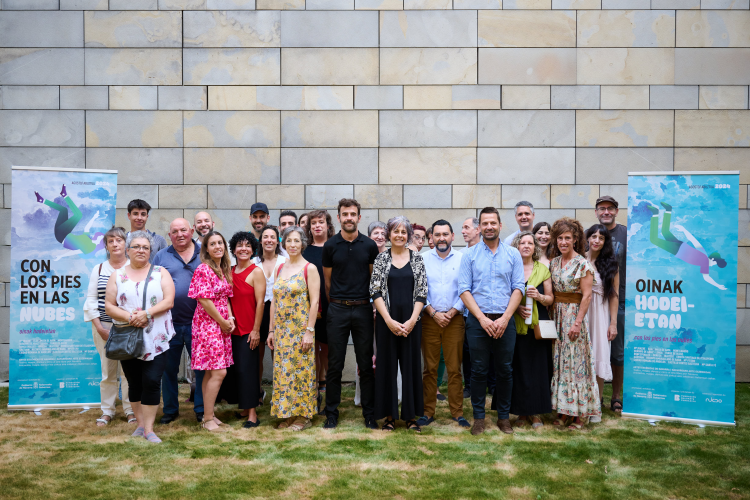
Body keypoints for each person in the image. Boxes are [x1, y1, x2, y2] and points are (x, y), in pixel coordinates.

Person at [104, 230, 176, 443]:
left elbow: (169, 300)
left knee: (152, 381)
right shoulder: (118, 275)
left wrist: (147, 313)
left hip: (157, 338)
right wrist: (130, 317)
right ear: (128, 250)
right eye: (136, 247)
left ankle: (150, 429)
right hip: (128, 337)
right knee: (134, 383)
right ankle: (140, 424)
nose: (141, 250)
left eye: (145, 247)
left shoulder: (161, 272)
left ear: (150, 251)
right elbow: (109, 305)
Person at [458, 207, 524, 435]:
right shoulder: (469, 255)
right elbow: (464, 290)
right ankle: (479, 417)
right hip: (478, 321)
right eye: (484, 223)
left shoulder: (513, 254)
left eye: (492, 223)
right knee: (478, 371)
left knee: (505, 370)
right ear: (479, 228)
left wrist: (505, 318)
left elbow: (518, 288)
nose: (489, 227)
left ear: (500, 225)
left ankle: (503, 418)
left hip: (506, 320)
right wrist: (482, 319)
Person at [322, 198, 380, 430]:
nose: (348, 218)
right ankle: (331, 413)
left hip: (363, 309)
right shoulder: (330, 246)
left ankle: (369, 413)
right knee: (335, 364)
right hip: (337, 309)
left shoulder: (369, 246)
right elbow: (327, 283)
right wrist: (338, 303)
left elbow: (372, 278)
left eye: (352, 214)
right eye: (344, 214)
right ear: (338, 217)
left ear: (358, 217)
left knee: (365, 364)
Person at [370, 216, 427, 432]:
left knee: (411, 367)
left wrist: (412, 320)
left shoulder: (417, 259)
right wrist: (388, 320)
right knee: (386, 368)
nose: (400, 235)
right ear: (388, 234)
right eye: (396, 231)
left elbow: (422, 291)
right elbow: (374, 291)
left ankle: (411, 417)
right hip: (387, 321)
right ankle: (389, 417)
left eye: (404, 232)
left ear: (408, 235)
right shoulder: (381, 259)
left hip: (412, 321)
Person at [549, 217, 600, 430]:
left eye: (567, 238)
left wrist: (577, 323)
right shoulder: (553, 262)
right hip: (557, 317)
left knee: (577, 364)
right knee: (561, 364)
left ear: (575, 239)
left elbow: (587, 296)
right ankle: (563, 410)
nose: (563, 242)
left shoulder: (583, 264)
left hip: (574, 318)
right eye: (559, 238)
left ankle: (580, 415)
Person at [267, 226, 320, 431]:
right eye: (289, 241)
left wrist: (309, 331)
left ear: (303, 243)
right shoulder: (280, 268)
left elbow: (314, 302)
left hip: (300, 330)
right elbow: (274, 302)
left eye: (297, 241)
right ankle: (288, 413)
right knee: (284, 373)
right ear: (284, 243)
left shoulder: (310, 268)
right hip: (282, 331)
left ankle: (303, 416)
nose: (292, 244)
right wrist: (271, 330)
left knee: (302, 372)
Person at [153, 218, 205, 424]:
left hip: (199, 323)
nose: (180, 234)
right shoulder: (161, 256)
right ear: (169, 235)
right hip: (169, 324)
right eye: (175, 231)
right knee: (168, 370)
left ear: (191, 231)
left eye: (184, 230)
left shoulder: (205, 252)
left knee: (201, 369)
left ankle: (201, 409)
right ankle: (170, 410)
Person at [418, 220, 468, 428]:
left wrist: (452, 311)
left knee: (454, 368)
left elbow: (467, 288)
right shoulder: (421, 259)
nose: (441, 238)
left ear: (452, 236)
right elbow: (419, 289)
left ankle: (457, 412)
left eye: (445, 234)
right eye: (437, 235)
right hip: (429, 319)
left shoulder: (463, 258)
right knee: (430, 368)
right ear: (432, 238)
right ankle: (427, 411)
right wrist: (433, 311)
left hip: (455, 319)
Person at [84, 226, 134, 427]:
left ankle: (131, 410)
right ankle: (107, 411)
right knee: (108, 371)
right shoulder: (98, 269)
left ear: (125, 244)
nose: (115, 244)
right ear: (106, 245)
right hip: (103, 327)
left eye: (119, 240)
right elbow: (91, 299)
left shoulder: (134, 267)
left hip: (130, 329)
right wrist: (100, 328)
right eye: (111, 241)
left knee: (129, 372)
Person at [188, 231, 235, 432]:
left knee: (210, 372)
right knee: (219, 372)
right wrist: (222, 321)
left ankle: (209, 416)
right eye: (212, 244)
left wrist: (230, 318)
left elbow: (225, 298)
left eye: (220, 243)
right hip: (208, 326)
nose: (217, 246)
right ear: (206, 248)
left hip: (222, 324)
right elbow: (204, 300)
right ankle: (207, 419)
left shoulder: (222, 269)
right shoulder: (203, 269)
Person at [508, 231, 554, 429]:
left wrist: (539, 297)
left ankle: (536, 413)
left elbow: (551, 298)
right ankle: (521, 412)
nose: (526, 246)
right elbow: (503, 294)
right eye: (522, 243)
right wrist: (516, 306)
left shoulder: (543, 270)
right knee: (518, 368)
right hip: (515, 324)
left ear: (535, 247)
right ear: (516, 246)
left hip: (537, 326)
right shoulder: (510, 269)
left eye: (530, 243)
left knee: (538, 369)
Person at [225, 231, 265, 428]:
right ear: (233, 249)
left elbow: (260, 304)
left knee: (248, 371)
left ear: (253, 250)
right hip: (231, 329)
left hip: (249, 329)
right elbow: (226, 299)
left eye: (247, 246)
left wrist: (256, 330)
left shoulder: (256, 272)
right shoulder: (229, 271)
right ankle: (243, 407)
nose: (243, 249)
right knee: (236, 371)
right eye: (239, 245)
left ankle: (253, 414)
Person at [594, 195, 626, 414]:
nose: (606, 212)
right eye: (601, 208)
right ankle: (597, 396)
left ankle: (616, 396)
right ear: (596, 211)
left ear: (616, 211)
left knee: (617, 352)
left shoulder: (626, 233)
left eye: (610, 208)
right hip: (596, 303)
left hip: (620, 299)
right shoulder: (592, 233)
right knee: (597, 350)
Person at [648, 202, 727, 289]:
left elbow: (693, 240)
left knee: (665, 232)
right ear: (712, 259)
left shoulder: (703, 253)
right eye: (714, 263)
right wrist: (718, 285)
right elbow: (706, 278)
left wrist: (684, 230)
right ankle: (655, 213)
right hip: (676, 249)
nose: (712, 265)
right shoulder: (705, 262)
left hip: (680, 244)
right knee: (654, 239)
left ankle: (668, 210)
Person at [585, 224, 620, 420]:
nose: (597, 240)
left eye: (601, 238)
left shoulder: (611, 265)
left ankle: (596, 406)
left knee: (597, 357)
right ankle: (580, 403)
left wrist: (612, 323)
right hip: (581, 313)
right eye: (594, 236)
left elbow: (614, 296)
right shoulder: (579, 260)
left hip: (600, 313)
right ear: (588, 238)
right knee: (581, 357)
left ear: (605, 242)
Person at [303, 210, 335, 414]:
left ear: (327, 225)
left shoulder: (334, 247)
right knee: (311, 354)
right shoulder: (305, 251)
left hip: (333, 308)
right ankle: (312, 395)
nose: (317, 226)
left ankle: (330, 399)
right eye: (313, 223)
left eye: (321, 222)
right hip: (309, 310)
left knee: (330, 354)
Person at [254, 225, 286, 404]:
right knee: (257, 353)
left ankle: (279, 393)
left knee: (278, 353)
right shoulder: (253, 262)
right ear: (260, 240)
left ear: (278, 240)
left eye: (272, 237)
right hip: (258, 310)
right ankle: (257, 392)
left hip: (280, 311)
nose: (269, 240)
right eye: (265, 237)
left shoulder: (285, 260)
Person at [35, 184, 105, 255]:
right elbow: (87, 227)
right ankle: (42, 200)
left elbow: (77, 251)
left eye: (101, 237)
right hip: (64, 233)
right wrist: (94, 217)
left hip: (62, 236)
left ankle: (64, 195)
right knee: (63, 210)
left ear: (101, 241)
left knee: (78, 215)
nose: (99, 235)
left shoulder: (91, 248)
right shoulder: (89, 238)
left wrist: (61, 256)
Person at [460, 216, 481, 399]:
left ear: (478, 229)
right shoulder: (461, 255)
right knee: (467, 351)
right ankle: (468, 385)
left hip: (487, 310)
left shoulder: (486, 252)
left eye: (467, 227)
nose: (463, 231)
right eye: (462, 228)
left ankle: (490, 384)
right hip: (466, 312)